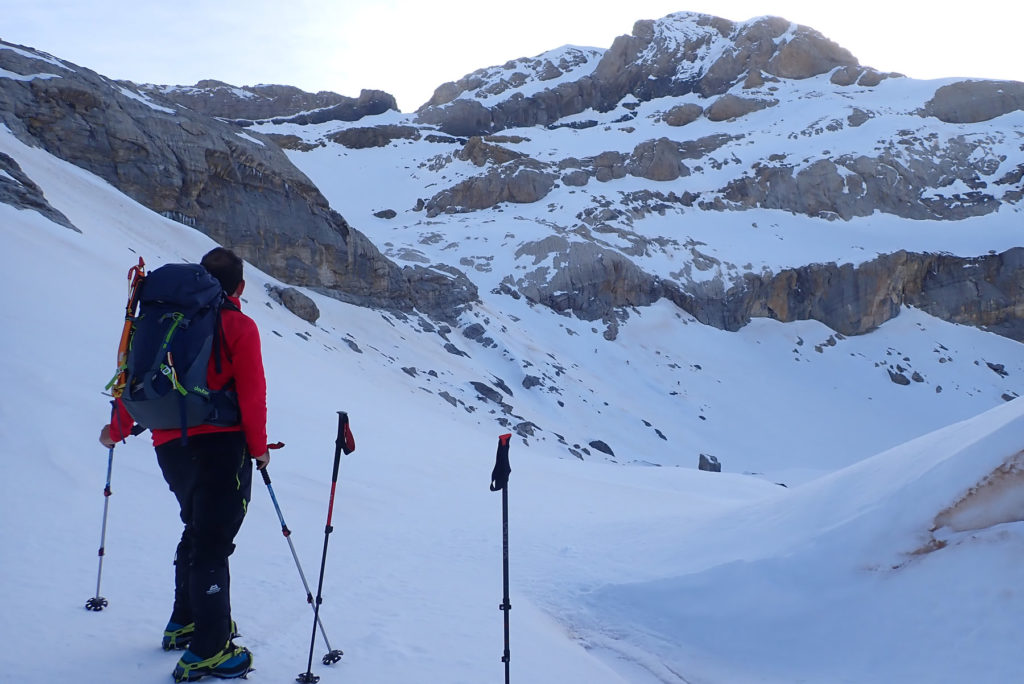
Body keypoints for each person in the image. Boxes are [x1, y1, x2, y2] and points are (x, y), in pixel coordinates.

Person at [100, 247, 269, 682]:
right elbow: (251, 394)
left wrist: (115, 430)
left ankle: (185, 621)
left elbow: (135, 376)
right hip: (221, 445)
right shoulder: (237, 324)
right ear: (240, 287)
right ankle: (209, 649)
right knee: (213, 542)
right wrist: (259, 448)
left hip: (169, 444)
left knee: (197, 529)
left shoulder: (162, 319)